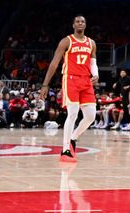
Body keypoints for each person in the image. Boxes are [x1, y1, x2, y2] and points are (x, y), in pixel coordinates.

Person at [40, 15, 99, 162]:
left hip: (86, 81)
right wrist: (45, 84)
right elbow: (54, 63)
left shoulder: (91, 43)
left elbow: (93, 62)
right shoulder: (66, 41)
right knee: (72, 114)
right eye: (77, 21)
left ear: (85, 25)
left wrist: (96, 74)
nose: (80, 23)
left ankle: (73, 137)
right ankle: (65, 150)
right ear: (73, 25)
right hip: (71, 79)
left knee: (91, 116)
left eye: (83, 21)